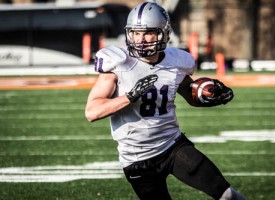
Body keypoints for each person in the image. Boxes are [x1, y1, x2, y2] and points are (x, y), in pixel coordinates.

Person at [85, 2, 246, 200]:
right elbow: (92, 112)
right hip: (137, 158)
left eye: (148, 33)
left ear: (163, 33)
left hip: (172, 146)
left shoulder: (177, 62)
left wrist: (210, 96)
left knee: (228, 195)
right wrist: (129, 96)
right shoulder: (118, 64)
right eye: (135, 33)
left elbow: (191, 96)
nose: (140, 39)